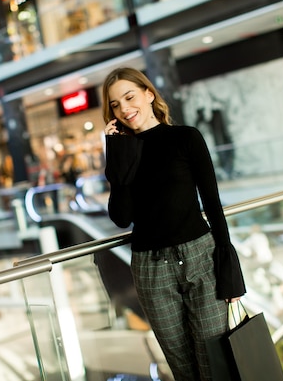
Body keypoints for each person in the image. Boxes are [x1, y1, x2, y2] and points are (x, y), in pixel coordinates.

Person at [102, 67, 245, 381]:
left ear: (149, 94)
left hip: (200, 259)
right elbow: (121, 217)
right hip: (151, 270)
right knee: (184, 371)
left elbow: (212, 202)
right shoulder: (124, 153)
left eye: (129, 97)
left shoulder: (185, 138)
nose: (124, 108)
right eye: (115, 104)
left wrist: (229, 269)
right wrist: (116, 157)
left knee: (214, 364)